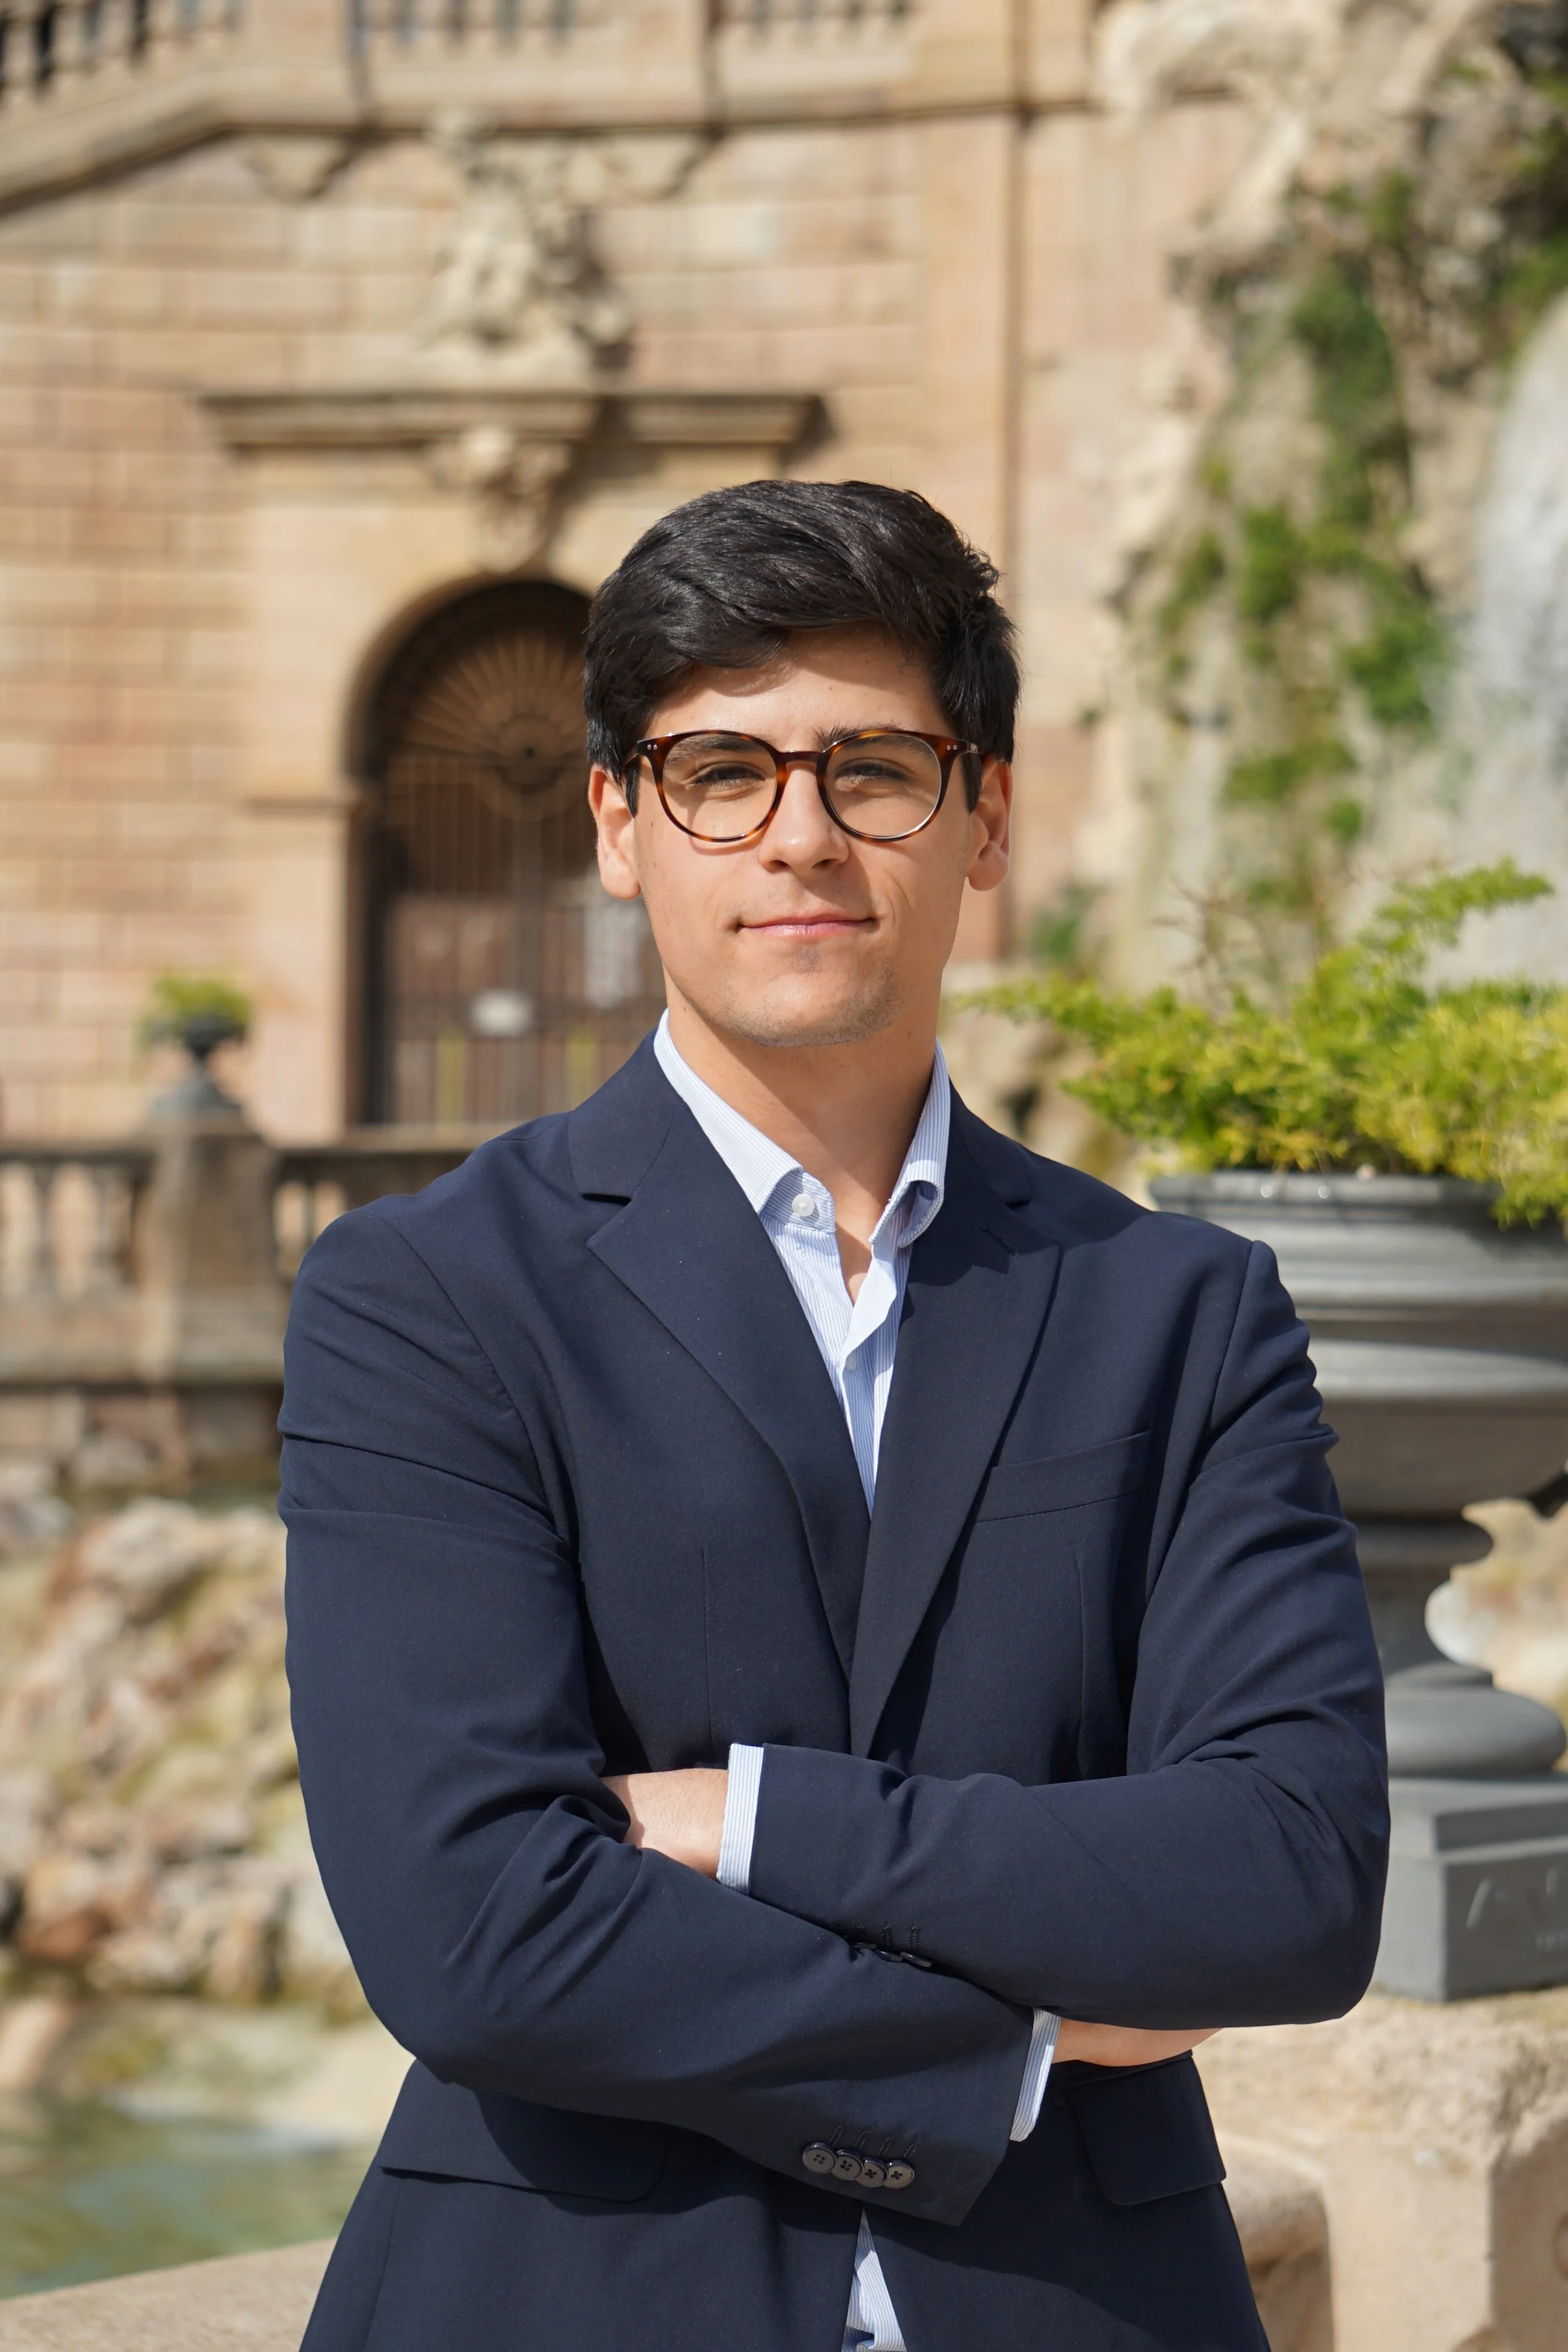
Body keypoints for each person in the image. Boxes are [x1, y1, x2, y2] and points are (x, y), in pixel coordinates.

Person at [283, 479, 1388, 2352]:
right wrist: (1017, 2039)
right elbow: (473, 1929)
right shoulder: (428, 1294)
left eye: (872, 766)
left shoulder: (1177, 1312)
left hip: (1084, 2305)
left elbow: (1287, 1879)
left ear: (988, 820)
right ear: (620, 825)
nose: (800, 834)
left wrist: (758, 1821)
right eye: (722, 770)